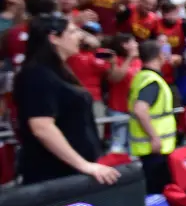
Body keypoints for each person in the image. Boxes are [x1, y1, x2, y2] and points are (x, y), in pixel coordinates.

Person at [13, 13, 119, 185]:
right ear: (54, 38)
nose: (79, 36)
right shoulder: (37, 74)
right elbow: (42, 127)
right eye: (72, 32)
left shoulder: (60, 70)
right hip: (55, 176)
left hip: (73, 172)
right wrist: (83, 165)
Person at [128, 40, 176, 194]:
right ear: (160, 56)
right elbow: (140, 110)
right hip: (155, 149)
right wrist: (154, 137)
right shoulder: (152, 81)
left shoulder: (141, 76)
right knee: (158, 194)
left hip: (150, 149)